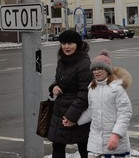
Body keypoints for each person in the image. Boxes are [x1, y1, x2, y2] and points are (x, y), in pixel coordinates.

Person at [77, 50, 132, 157]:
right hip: (95, 142)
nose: (96, 72)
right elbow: (91, 111)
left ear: (107, 70)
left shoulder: (117, 88)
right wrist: (75, 121)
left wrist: (116, 135)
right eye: (94, 69)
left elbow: (125, 114)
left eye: (100, 68)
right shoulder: (92, 88)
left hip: (114, 142)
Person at [48, 29, 92, 158]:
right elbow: (59, 80)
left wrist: (71, 116)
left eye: (70, 43)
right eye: (63, 43)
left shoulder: (84, 64)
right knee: (57, 147)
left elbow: (85, 92)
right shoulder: (62, 61)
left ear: (77, 45)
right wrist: (54, 87)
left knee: (84, 147)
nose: (66, 47)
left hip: (77, 113)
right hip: (59, 111)